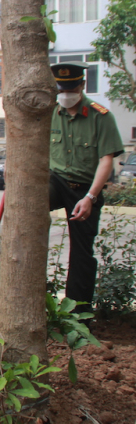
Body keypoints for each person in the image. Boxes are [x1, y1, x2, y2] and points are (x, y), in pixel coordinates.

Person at [49, 62, 124, 314]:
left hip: (85, 187)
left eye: (70, 89)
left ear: (82, 85)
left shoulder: (100, 116)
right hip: (55, 181)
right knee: (30, 208)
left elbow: (106, 160)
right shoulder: (48, 111)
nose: (65, 95)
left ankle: (78, 317)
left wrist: (91, 197)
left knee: (82, 255)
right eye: (61, 90)